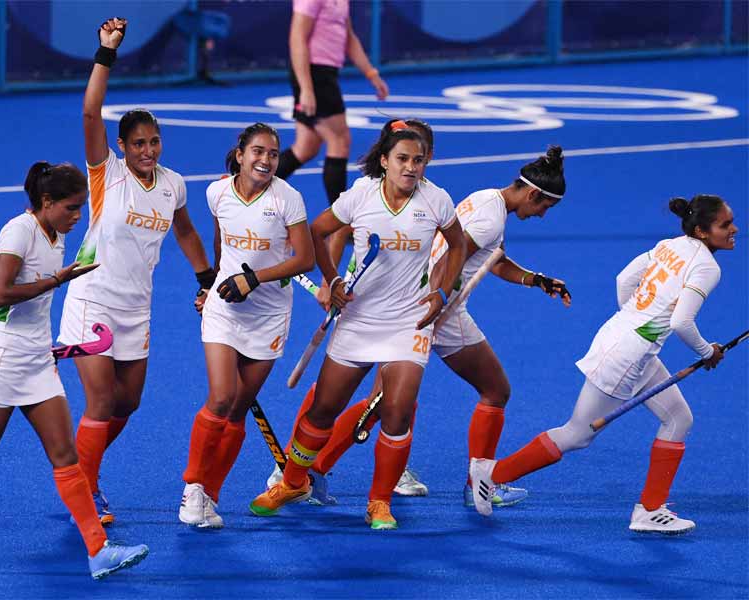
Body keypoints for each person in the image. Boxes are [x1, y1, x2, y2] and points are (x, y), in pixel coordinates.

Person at [287, 146, 572, 508]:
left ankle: (315, 471)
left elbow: (492, 260)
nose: (542, 216)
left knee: (382, 403)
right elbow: (449, 261)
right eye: (544, 207)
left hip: (424, 308)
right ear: (533, 194)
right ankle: (479, 484)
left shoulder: (488, 200)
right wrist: (432, 306)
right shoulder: (491, 218)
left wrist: (535, 279)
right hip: (438, 313)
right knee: (495, 390)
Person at [470, 194, 737, 534]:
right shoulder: (707, 267)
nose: (734, 229)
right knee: (578, 434)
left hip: (625, 342)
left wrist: (634, 320)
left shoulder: (671, 244)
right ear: (702, 231)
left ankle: (650, 510)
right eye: (725, 225)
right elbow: (682, 322)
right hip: (626, 356)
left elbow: (624, 280)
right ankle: (492, 474)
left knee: (678, 418)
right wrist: (706, 352)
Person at [250, 122, 465, 529]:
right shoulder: (361, 195)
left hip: (409, 321)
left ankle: (379, 502)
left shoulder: (437, 200)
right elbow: (317, 230)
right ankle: (294, 481)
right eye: (402, 159)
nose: (411, 168)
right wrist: (332, 280)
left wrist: (442, 293)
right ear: (384, 161)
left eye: (418, 160)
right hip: (359, 319)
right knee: (322, 410)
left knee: (397, 410)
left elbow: (458, 245)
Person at [0, 162, 148, 579]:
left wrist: (54, 291)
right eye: (72, 208)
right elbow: (1, 295)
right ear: (47, 202)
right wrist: (56, 281)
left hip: (37, 360)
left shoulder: (55, 236)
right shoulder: (17, 232)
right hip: (3, 358)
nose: (78, 217)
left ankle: (98, 550)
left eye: (81, 209)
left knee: (65, 456)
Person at [57, 18, 213, 525]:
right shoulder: (106, 175)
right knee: (101, 401)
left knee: (127, 404)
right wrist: (106, 52)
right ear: (122, 146)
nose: (148, 150)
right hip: (91, 299)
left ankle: (81, 466)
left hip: (135, 308)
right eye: (138, 143)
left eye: (154, 141)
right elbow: (89, 111)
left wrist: (204, 277)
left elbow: (186, 232)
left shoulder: (173, 185)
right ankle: (85, 489)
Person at [178, 123, 315, 529]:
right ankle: (191, 488)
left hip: (269, 314)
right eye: (258, 151)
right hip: (226, 308)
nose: (266, 160)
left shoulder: (288, 199)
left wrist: (254, 278)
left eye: (273, 154)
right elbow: (222, 245)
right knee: (221, 398)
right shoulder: (217, 192)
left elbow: (304, 258)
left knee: (237, 409)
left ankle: (210, 494)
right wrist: (213, 286)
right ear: (240, 154)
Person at [275, 0, 389, 209]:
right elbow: (297, 38)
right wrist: (307, 89)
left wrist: (371, 74)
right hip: (313, 74)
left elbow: (349, 37)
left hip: (325, 74)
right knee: (340, 140)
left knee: (306, 147)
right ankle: (339, 222)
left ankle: (249, 190)